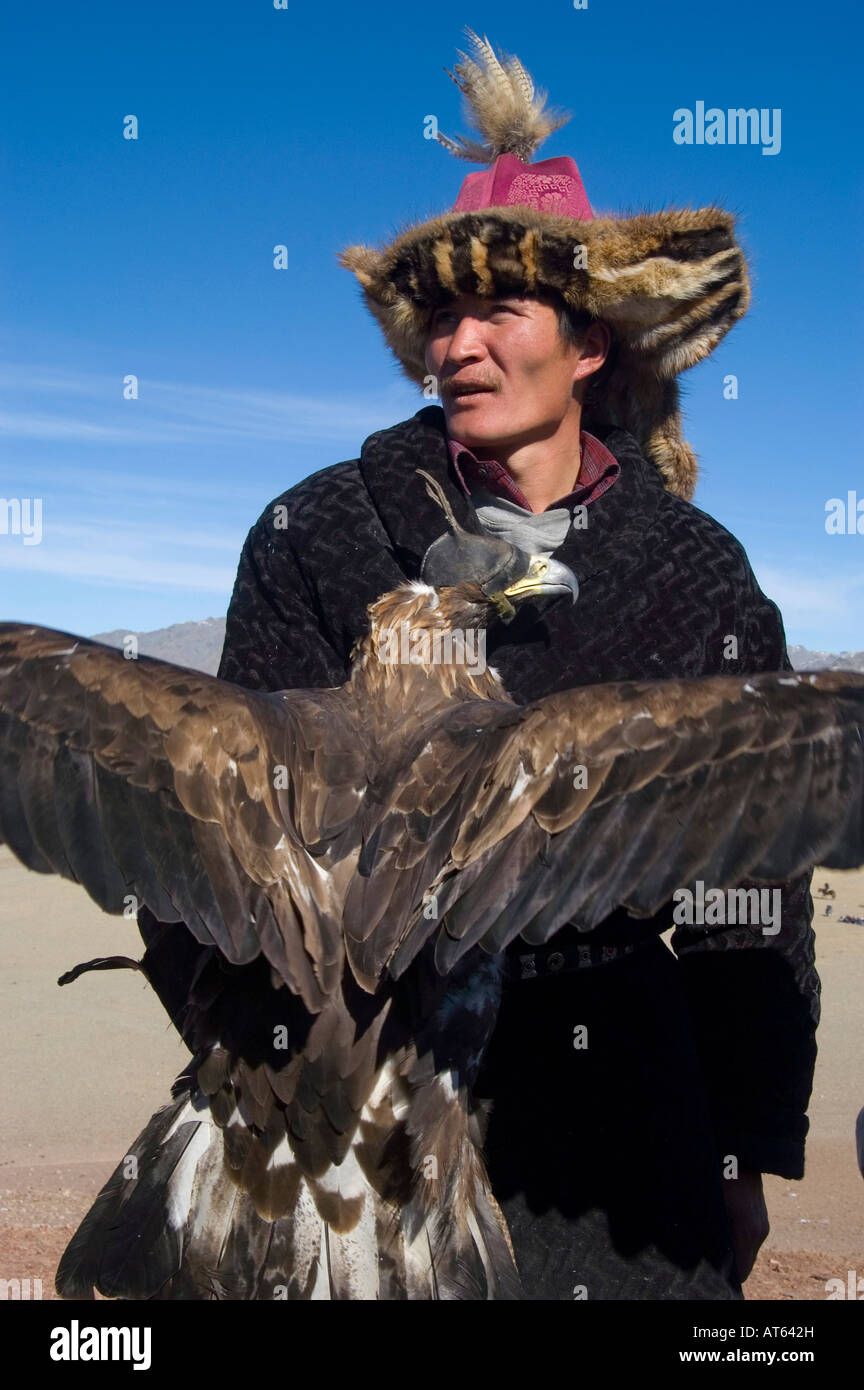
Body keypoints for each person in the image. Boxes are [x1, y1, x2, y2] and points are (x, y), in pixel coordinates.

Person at [141, 32, 819, 1299]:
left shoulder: (695, 571)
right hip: (352, 1106)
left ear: (590, 344)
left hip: (616, 1113)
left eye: (499, 311)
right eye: (441, 317)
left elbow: (751, 901)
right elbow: (203, 860)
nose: (459, 345)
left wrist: (744, 1144)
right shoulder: (319, 534)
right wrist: (277, 1089)